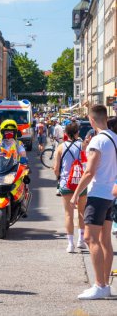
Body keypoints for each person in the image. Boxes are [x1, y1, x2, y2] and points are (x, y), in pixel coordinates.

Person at [70, 105, 117, 300]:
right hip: (109, 194)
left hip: (97, 194)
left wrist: (75, 194)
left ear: (91, 120)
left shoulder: (98, 141)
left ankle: (99, 285)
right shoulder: (114, 138)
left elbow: (90, 172)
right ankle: (104, 284)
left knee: (90, 238)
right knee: (105, 240)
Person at [53, 122, 87, 253]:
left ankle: (70, 244)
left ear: (66, 134)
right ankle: (81, 241)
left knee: (68, 214)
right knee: (82, 213)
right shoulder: (83, 146)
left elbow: (56, 168)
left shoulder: (61, 147)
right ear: (77, 133)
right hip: (81, 182)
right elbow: (86, 163)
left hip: (67, 182)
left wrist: (58, 177)